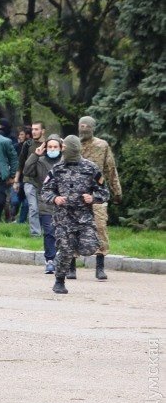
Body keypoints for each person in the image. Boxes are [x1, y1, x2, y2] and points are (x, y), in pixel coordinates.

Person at [41, 135, 109, 294]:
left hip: (84, 218)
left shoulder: (91, 168)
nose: (62, 150)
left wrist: (93, 198)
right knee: (65, 250)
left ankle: (73, 247)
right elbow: (45, 191)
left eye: (64, 147)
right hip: (63, 218)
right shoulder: (57, 169)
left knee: (89, 247)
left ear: (72, 148)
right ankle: (59, 281)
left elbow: (104, 192)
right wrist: (55, 198)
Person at [77, 116, 122, 280]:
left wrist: (117, 192)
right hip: (76, 194)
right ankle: (71, 266)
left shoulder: (102, 146)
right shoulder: (73, 145)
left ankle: (100, 266)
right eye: (81, 125)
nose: (83, 129)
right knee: (74, 228)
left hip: (97, 194)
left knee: (100, 228)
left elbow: (111, 169)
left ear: (92, 128)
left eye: (86, 126)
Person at [23, 134, 63, 274]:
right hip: (45, 201)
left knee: (62, 232)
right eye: (50, 147)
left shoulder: (65, 161)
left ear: (60, 148)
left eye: (55, 147)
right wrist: (35, 155)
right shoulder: (40, 161)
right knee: (49, 231)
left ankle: (61, 259)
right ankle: (50, 260)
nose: (52, 149)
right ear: (45, 147)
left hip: (63, 202)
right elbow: (27, 171)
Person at [15, 122, 46, 236]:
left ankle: (46, 230)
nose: (33, 131)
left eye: (36, 129)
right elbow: (21, 163)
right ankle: (35, 234)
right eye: (32, 129)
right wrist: (16, 181)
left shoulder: (49, 145)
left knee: (43, 208)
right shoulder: (27, 144)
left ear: (43, 131)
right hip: (29, 180)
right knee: (33, 207)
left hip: (44, 182)